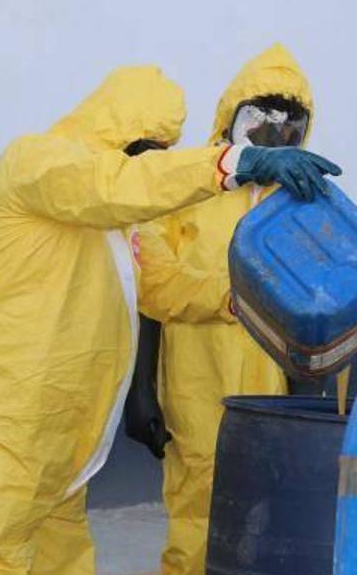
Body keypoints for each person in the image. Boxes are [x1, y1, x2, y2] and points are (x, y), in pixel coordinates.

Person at [0, 64, 340, 575]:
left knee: (60, 557)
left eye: (160, 152)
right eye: (145, 149)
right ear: (113, 130)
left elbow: (162, 285)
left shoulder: (124, 223)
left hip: (61, 430)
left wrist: (249, 298)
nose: (150, 163)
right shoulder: (37, 162)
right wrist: (231, 163)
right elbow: (108, 186)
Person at [126, 44, 317, 574]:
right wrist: (141, 389)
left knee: (270, 522)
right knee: (197, 516)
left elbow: (319, 307)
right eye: (259, 121)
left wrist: (311, 401)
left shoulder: (300, 202)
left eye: (289, 126)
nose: (273, 137)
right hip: (196, 383)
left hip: (273, 392)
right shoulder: (186, 188)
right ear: (230, 115)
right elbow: (152, 293)